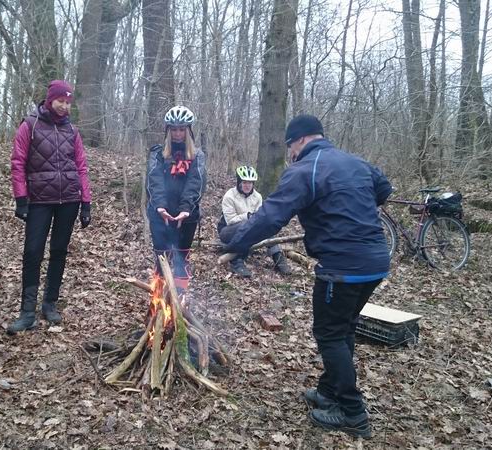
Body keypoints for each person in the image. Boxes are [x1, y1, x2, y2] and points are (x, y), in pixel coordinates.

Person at [223, 115, 391, 438]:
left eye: (289, 147)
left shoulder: (304, 170)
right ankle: (330, 392)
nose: (289, 154)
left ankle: (353, 413)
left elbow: (270, 218)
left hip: (343, 267)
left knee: (329, 334)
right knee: (344, 328)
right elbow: (383, 189)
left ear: (299, 141)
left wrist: (235, 242)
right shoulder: (355, 161)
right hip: (376, 261)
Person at [7, 80, 92, 333]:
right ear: (50, 100)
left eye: (68, 102)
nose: (64, 106)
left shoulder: (72, 131)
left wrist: (85, 202)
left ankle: (50, 303)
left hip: (68, 200)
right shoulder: (29, 125)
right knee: (33, 252)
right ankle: (26, 312)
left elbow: (82, 167)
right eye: (60, 101)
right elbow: (17, 162)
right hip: (39, 201)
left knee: (59, 251)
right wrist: (21, 198)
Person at [146, 106, 206, 292]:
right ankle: (157, 301)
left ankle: (180, 301)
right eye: (174, 129)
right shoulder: (158, 154)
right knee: (161, 258)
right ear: (168, 130)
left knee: (182, 258)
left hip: (186, 215)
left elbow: (196, 183)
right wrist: (160, 207)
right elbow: (154, 182)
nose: (178, 134)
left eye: (182, 129)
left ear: (188, 131)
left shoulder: (197, 156)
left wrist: (185, 209)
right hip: (160, 214)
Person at [218, 165, 291, 277]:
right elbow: (230, 221)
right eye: (245, 182)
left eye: (250, 183)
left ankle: (278, 258)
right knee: (244, 225)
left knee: (267, 225)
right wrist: (247, 216)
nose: (247, 185)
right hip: (228, 231)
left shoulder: (257, 197)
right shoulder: (229, 196)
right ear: (239, 182)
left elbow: (260, 217)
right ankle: (236, 262)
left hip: (250, 229)